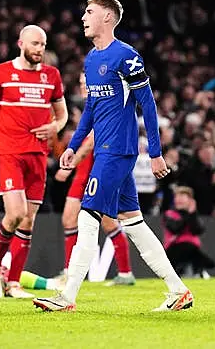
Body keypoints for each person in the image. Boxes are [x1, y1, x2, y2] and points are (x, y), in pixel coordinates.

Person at [33, 0, 193, 313]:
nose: (83, 17)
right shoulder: (92, 60)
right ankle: (178, 290)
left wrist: (157, 153)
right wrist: (73, 147)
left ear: (108, 17)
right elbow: (91, 109)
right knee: (133, 223)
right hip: (104, 149)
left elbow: (147, 104)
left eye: (89, 12)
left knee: (87, 216)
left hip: (117, 150)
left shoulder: (126, 57)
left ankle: (66, 297)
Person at [0, 25, 68, 298]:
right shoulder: (0, 73)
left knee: (28, 221)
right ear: (21, 43)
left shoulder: (51, 76)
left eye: (43, 44)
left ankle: (15, 283)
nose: (39, 49)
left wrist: (55, 126)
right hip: (9, 152)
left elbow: (63, 114)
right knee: (16, 213)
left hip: (38, 156)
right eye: (35, 44)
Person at [54, 73, 135, 286]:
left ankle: (126, 273)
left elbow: (91, 141)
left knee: (109, 222)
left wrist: (70, 164)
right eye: (80, 82)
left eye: (85, 82)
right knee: (69, 219)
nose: (82, 86)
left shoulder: (103, 104)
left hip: (97, 169)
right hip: (84, 171)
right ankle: (68, 271)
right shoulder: (89, 107)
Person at [163, 186, 215, 278]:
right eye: (177, 197)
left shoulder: (194, 215)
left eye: (182, 198)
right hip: (173, 248)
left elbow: (198, 230)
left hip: (191, 247)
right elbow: (175, 228)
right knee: (188, 248)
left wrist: (192, 214)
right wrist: (188, 214)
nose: (179, 200)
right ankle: (200, 266)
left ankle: (196, 270)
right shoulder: (169, 214)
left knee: (190, 247)